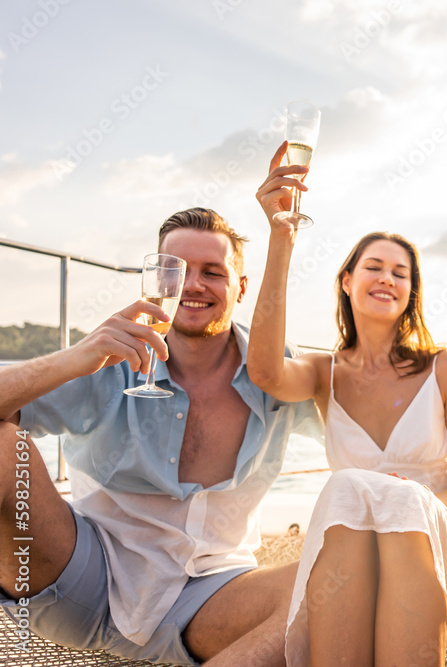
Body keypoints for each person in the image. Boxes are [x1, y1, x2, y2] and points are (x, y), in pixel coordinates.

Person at [0, 208, 323, 666]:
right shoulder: (110, 359)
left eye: (212, 272)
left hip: (212, 596)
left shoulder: (275, 370)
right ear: (154, 284)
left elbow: (358, 430)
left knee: (337, 585)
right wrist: (76, 357)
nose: (192, 285)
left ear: (241, 287)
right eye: (176, 271)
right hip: (82, 578)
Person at [250, 143, 447, 666]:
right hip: (360, 563)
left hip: (443, 554)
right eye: (374, 266)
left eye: (400, 273)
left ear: (410, 292)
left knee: (391, 498)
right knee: (348, 490)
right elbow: (265, 372)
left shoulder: (446, 366)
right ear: (347, 281)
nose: (387, 278)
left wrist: (413, 509)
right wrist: (280, 238)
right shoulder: (323, 373)